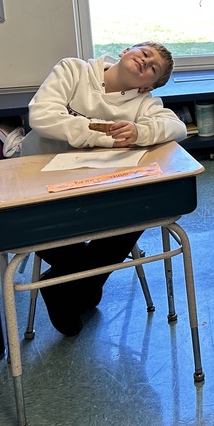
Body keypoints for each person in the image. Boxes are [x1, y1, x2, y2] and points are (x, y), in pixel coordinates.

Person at [25, 41, 186, 336]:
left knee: (143, 210)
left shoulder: (142, 104)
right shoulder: (73, 70)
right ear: (125, 51)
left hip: (97, 189)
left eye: (153, 69)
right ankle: (84, 287)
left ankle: (64, 283)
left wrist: (140, 131)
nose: (145, 63)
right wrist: (106, 135)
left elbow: (177, 127)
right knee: (44, 227)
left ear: (147, 87)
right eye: (144, 53)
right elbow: (42, 116)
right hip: (42, 182)